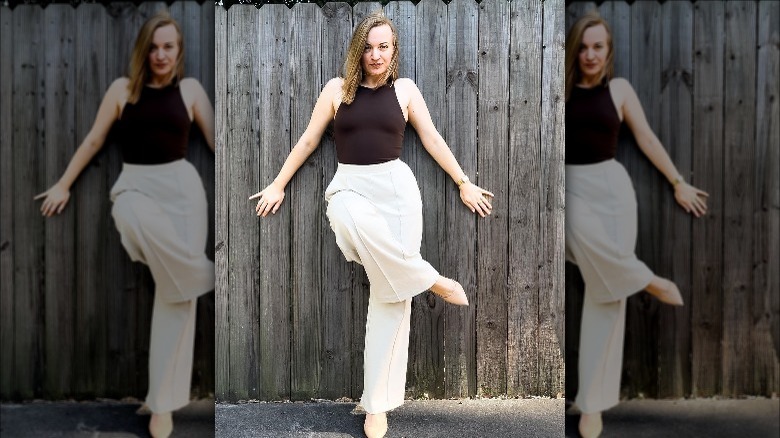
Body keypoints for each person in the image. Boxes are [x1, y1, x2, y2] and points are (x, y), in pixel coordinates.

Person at [250, 11, 493, 438]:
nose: (375, 55)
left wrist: (463, 181)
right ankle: (430, 278)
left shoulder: (405, 91)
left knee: (390, 298)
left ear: (393, 50)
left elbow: (432, 138)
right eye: (368, 47)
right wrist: (277, 184)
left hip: (397, 191)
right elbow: (309, 140)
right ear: (357, 50)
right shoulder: (335, 91)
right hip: (350, 186)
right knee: (345, 217)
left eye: (384, 47)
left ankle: (376, 405)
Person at [34, 11, 215, 438]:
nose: (160, 54)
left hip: (183, 191)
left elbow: (216, 141)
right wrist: (63, 183)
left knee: (176, 297)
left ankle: (162, 404)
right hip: (135, 185)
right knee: (127, 213)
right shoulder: (122, 91)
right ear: (143, 50)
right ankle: (206, 273)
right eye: (153, 46)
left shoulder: (190, 90)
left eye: (168, 46)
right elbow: (95, 139)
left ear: (179, 50)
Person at [564, 11, 708, 438]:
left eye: (598, 47)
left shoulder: (619, 90)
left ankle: (591, 404)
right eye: (584, 46)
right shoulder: (562, 89)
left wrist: (678, 181)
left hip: (613, 191)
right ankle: (646, 279)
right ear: (576, 49)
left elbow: (645, 138)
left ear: (608, 51)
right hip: (570, 187)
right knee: (577, 231)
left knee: (604, 298)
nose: (590, 54)